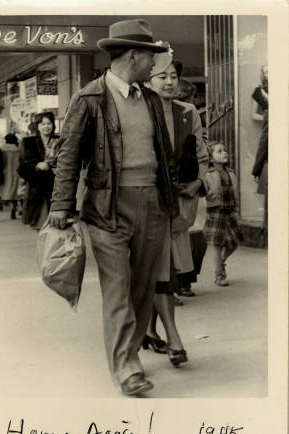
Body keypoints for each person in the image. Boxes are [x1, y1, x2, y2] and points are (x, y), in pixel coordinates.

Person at [48, 19, 178, 396]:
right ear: (134, 55)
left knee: (141, 288)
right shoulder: (89, 98)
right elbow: (69, 157)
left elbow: (164, 156)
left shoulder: (151, 99)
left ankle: (131, 350)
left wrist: (173, 201)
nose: (154, 65)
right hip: (107, 207)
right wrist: (61, 204)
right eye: (150, 57)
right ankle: (126, 369)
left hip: (152, 202)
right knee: (118, 289)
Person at [143, 45, 208, 365]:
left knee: (163, 270)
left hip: (179, 204)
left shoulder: (188, 112)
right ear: (148, 80)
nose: (169, 82)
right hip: (147, 205)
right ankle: (172, 336)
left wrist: (197, 184)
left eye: (173, 76)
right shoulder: (140, 110)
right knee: (159, 271)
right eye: (161, 76)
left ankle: (151, 331)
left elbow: (202, 157)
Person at [203, 141, 243, 286]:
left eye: (225, 150)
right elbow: (203, 196)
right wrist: (204, 213)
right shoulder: (208, 174)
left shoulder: (231, 173)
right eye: (219, 151)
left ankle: (221, 261)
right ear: (211, 158)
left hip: (230, 210)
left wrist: (237, 210)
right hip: (216, 211)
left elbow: (235, 194)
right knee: (217, 244)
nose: (224, 153)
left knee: (235, 242)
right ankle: (218, 275)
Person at [18, 111, 59, 230]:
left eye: (49, 123)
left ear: (53, 125)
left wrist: (57, 169)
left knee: (56, 227)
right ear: (37, 126)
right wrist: (36, 165)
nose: (46, 126)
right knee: (41, 227)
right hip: (37, 191)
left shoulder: (59, 140)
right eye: (42, 124)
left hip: (56, 190)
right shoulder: (28, 142)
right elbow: (21, 169)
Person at [251, 64, 268, 247]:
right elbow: (253, 115)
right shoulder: (259, 91)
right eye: (266, 70)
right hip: (266, 133)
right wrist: (269, 116)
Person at [0, 133, 21, 219]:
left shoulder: (1, 149)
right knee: (15, 192)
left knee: (3, 191)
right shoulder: (19, 150)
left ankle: (0, 204)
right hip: (16, 173)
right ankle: (13, 208)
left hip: (5, 172)